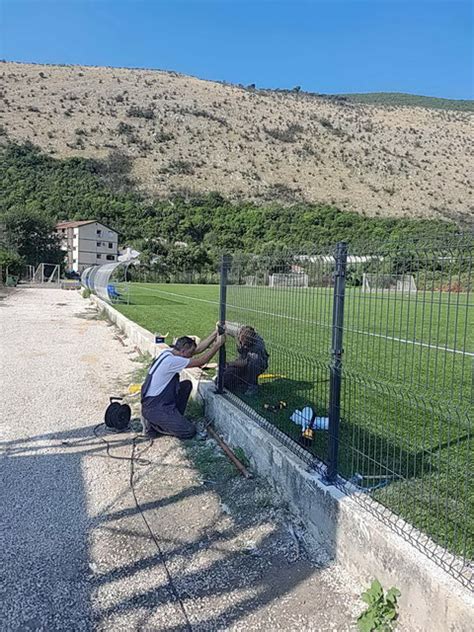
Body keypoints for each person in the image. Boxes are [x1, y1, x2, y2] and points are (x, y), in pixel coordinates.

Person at [141, 330, 225, 439]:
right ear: (184, 350)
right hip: (155, 407)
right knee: (189, 431)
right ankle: (157, 426)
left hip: (154, 402)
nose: (190, 357)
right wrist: (218, 344)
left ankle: (171, 418)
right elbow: (201, 361)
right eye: (189, 354)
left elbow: (197, 350)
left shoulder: (169, 352)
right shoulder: (172, 361)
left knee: (186, 385)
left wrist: (215, 333)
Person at [223, 325, 269, 396]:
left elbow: (245, 362)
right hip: (242, 360)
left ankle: (252, 386)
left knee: (253, 362)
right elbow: (221, 325)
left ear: (251, 340)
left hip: (257, 364)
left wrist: (229, 364)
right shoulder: (236, 330)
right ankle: (243, 380)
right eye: (241, 341)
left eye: (246, 343)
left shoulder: (258, 345)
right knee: (225, 379)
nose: (243, 345)